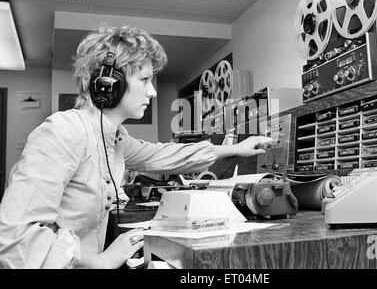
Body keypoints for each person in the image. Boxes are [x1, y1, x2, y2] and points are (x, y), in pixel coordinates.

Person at [0, 25, 273, 269]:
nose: (153, 91)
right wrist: (101, 261)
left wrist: (236, 149)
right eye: (144, 80)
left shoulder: (115, 138)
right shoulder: (64, 130)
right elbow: (15, 238)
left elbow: (164, 154)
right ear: (108, 84)